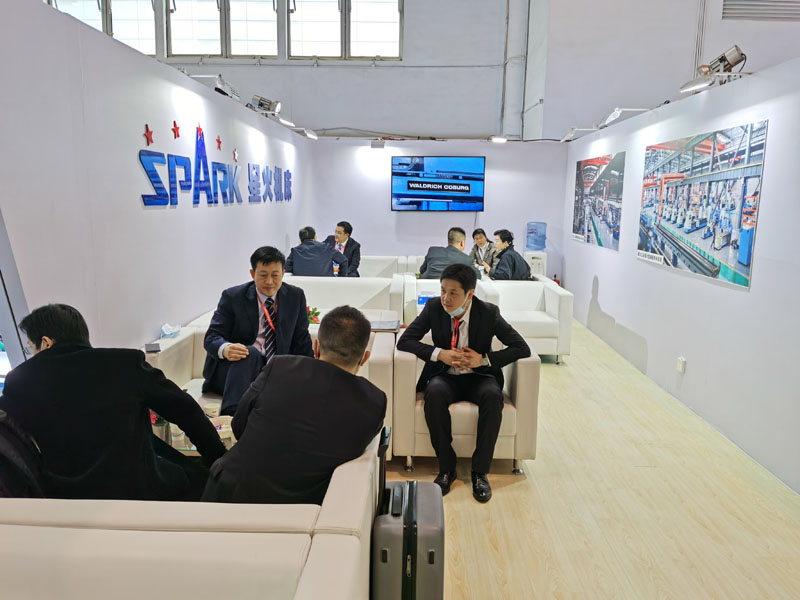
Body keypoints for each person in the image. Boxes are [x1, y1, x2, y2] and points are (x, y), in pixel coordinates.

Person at [0, 304, 225, 500]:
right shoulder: (124, 362)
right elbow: (186, 411)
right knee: (200, 479)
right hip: (139, 490)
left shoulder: (18, 381)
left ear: (46, 342)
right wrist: (218, 459)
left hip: (63, 497)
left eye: (30, 347)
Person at [202, 306, 386, 505]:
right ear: (364, 358)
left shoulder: (279, 367)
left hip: (230, 495)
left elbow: (239, 425)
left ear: (316, 347)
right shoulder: (374, 402)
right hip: (304, 509)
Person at [397, 264, 530, 503]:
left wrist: (484, 359)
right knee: (434, 393)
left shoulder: (488, 312)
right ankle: (447, 468)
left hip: (480, 377)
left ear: (470, 294)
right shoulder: (433, 307)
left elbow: (521, 347)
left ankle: (480, 472)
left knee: (493, 397)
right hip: (445, 375)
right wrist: (439, 354)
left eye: (453, 293)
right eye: (442, 291)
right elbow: (405, 341)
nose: (446, 298)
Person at [203, 246, 313, 416]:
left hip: (275, 368)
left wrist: (311, 373)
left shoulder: (295, 296)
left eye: (275, 275)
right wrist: (226, 349)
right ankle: (231, 417)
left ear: (283, 273)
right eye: (263, 275)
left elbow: (301, 340)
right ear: (252, 273)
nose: (269, 281)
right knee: (250, 353)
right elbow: (212, 337)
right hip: (238, 370)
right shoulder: (234, 297)